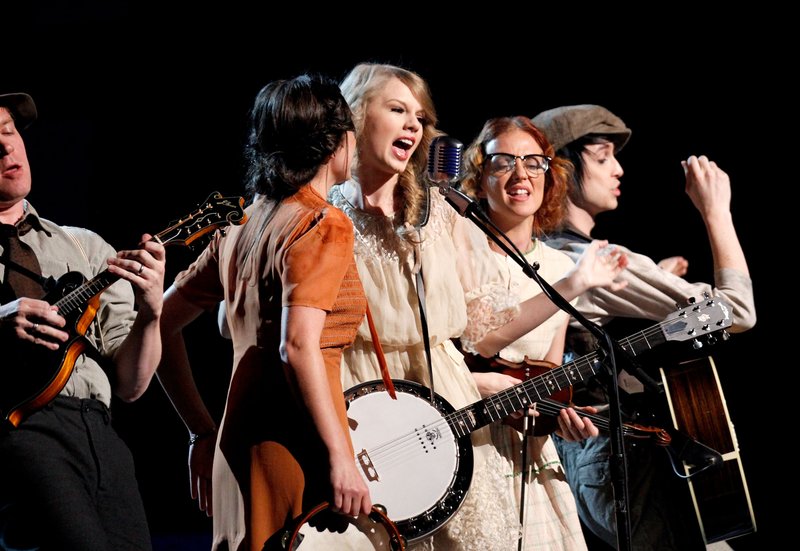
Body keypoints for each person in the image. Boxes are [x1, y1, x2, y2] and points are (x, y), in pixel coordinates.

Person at [328, 63, 626, 550]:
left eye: (420, 117)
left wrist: (542, 410)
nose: (413, 125)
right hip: (373, 415)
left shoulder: (439, 216)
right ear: (357, 115)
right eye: (398, 110)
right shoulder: (328, 216)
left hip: (462, 423)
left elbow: (484, 342)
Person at [155, 74, 371, 551]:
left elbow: (159, 322)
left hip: (236, 442)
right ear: (339, 141)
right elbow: (297, 347)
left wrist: (201, 431)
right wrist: (341, 457)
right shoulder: (322, 223)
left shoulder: (241, 224)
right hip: (293, 442)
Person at [532, 104, 756, 550]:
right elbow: (736, 311)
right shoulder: (591, 261)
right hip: (627, 459)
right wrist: (717, 212)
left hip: (593, 461)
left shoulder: (546, 252)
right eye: (602, 158)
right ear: (562, 171)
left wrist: (656, 278)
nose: (617, 169)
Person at [0, 92, 166, 550]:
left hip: (101, 433)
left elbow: (131, 384)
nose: (6, 147)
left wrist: (151, 310)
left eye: (9, 132)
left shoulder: (84, 246)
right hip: (22, 433)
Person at [457, 115, 599, 550]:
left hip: (527, 461)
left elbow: (545, 373)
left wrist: (561, 420)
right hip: (467, 445)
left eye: (534, 163)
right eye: (504, 162)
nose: (521, 175)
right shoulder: (457, 251)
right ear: (480, 178)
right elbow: (463, 346)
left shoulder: (559, 266)